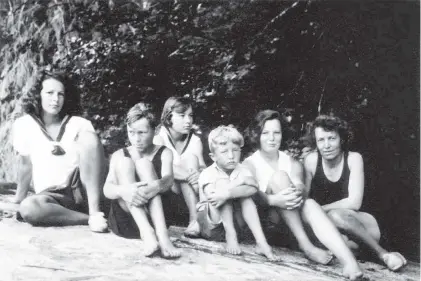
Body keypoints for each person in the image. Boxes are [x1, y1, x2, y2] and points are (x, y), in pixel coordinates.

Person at [243, 110, 363, 280]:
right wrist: (271, 199)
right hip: (269, 224)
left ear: (282, 134)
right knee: (279, 177)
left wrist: (298, 191)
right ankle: (306, 246)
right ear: (257, 135)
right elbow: (250, 194)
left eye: (276, 132)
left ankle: (350, 263)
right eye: (265, 133)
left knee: (310, 204)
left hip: (293, 221)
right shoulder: (250, 164)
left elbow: (300, 186)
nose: (272, 138)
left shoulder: (292, 162)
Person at [304, 114, 407, 271]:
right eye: (321, 140)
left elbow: (354, 202)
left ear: (342, 139)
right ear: (315, 143)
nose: (326, 145)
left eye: (331, 138)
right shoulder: (311, 160)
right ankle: (365, 254)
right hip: (335, 230)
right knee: (329, 240)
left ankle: (383, 254)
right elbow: (303, 202)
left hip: (362, 225)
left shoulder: (353, 158)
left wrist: (318, 212)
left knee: (335, 215)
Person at [11, 71, 108, 232]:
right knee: (29, 208)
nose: (55, 99)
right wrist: (18, 200)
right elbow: (25, 165)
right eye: (49, 93)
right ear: (38, 95)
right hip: (52, 198)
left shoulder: (79, 123)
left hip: (81, 191)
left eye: (60, 94)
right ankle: (88, 220)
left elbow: (95, 161)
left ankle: (95, 212)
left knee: (90, 138)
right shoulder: (24, 124)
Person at [103, 103, 181, 258]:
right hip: (127, 220)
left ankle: (162, 237)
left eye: (142, 133)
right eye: (131, 132)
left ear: (156, 130)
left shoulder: (164, 152)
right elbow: (107, 188)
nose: (136, 139)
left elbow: (169, 180)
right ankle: (147, 233)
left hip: (158, 218)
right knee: (125, 163)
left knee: (144, 164)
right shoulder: (120, 154)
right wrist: (124, 191)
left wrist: (154, 186)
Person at [197, 125, 279, 261]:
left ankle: (262, 243)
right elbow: (215, 196)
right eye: (224, 152)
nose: (231, 156)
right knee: (222, 186)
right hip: (212, 227)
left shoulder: (242, 169)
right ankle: (231, 235)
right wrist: (237, 184)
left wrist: (229, 192)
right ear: (213, 157)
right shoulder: (207, 173)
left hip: (237, 225)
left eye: (235, 150)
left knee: (246, 198)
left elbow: (253, 188)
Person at [153, 96, 206, 237]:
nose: (188, 121)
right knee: (181, 169)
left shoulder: (195, 141)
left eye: (190, 116)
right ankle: (195, 220)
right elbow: (161, 167)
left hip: (191, 194)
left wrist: (199, 174)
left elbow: (203, 168)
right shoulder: (159, 137)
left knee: (190, 158)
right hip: (168, 194)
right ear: (169, 116)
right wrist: (188, 175)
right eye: (182, 116)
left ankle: (194, 221)